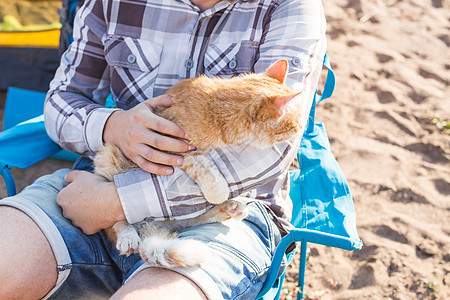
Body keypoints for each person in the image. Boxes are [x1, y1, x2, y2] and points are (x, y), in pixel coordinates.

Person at [0, 0, 326, 299]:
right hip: (103, 177)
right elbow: (60, 100)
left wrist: (121, 202)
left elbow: (269, 155)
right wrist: (114, 125)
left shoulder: (289, 8)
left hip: (229, 210)